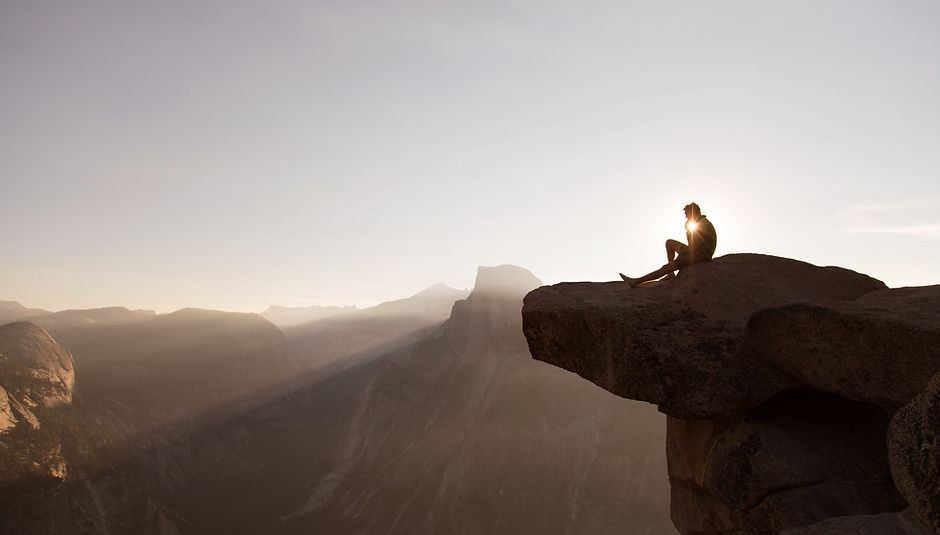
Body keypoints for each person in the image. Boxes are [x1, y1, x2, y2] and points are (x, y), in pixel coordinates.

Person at [619, 202, 717, 288]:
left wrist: (681, 256)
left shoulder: (702, 225)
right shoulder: (700, 222)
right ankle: (671, 274)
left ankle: (635, 281)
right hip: (696, 251)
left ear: (693, 213)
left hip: (699, 255)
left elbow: (694, 247)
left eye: (687, 214)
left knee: (665, 267)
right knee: (669, 243)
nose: (686, 217)